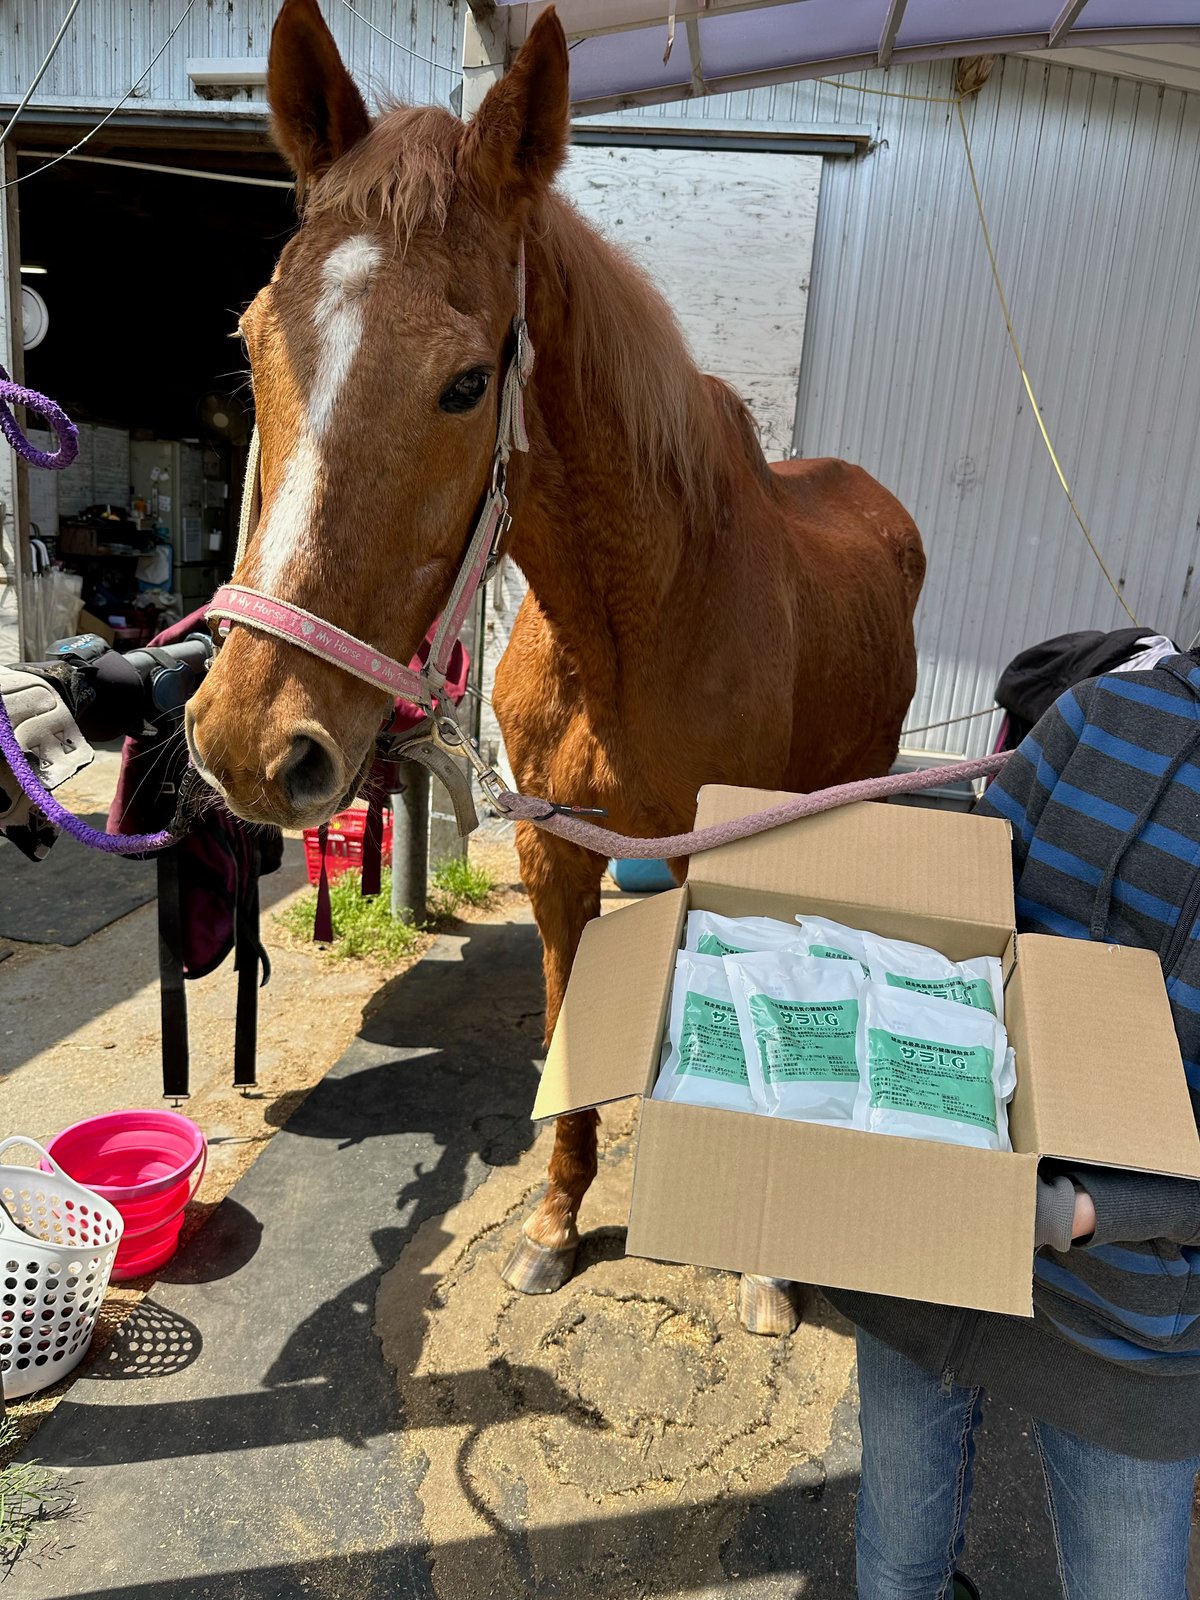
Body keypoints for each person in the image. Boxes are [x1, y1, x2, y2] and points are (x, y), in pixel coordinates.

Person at [826, 649, 1200, 1600]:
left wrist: (1087, 1210)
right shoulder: (1094, 719)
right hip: (934, 1256)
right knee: (897, 1570)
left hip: (1138, 1327)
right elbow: (947, 929)